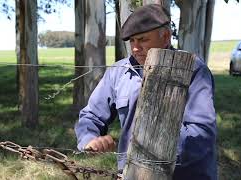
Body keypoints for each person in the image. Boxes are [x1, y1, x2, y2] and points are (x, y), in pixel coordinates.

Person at [75, 4, 217, 180]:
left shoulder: (193, 70)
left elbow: (201, 133)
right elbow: (91, 116)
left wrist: (151, 154)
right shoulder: (118, 71)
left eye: (142, 39)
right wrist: (90, 140)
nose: (135, 48)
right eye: (131, 41)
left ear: (165, 37)